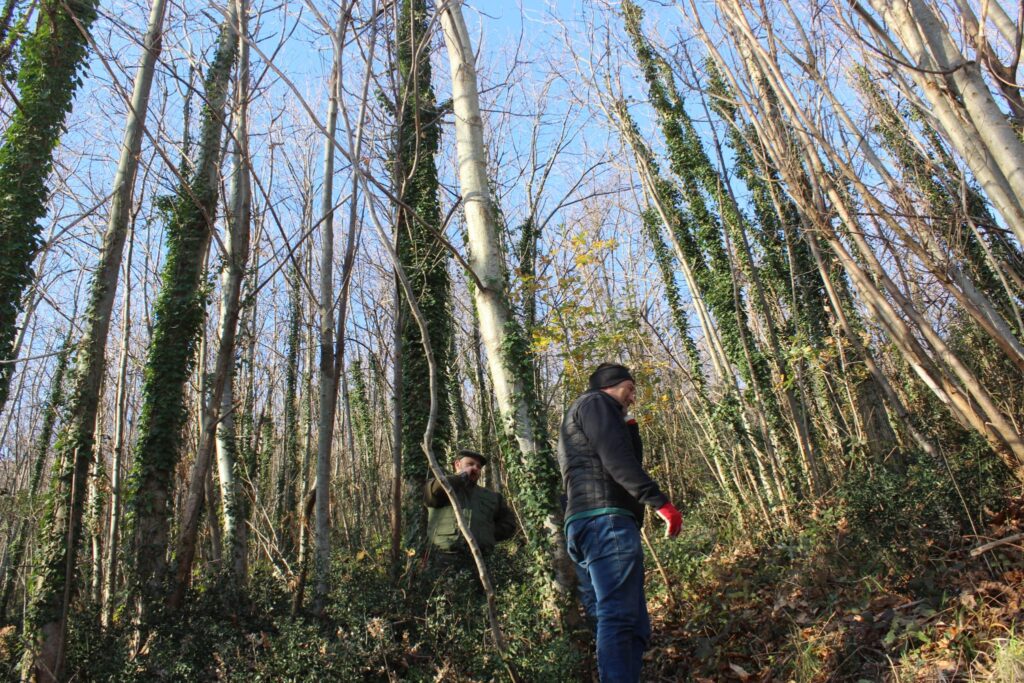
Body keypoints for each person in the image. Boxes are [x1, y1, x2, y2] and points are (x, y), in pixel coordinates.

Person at [558, 362, 683, 683]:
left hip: (587, 527)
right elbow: (618, 460)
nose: (633, 398)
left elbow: (624, 454)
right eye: (629, 389)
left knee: (634, 624)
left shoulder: (589, 413)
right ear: (610, 386)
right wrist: (660, 503)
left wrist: (630, 426)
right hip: (606, 522)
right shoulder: (596, 404)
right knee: (619, 618)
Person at [424, 449, 517, 566]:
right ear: (457, 464)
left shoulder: (492, 497)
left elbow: (509, 524)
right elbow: (433, 492)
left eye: (478, 467)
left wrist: (487, 533)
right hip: (444, 557)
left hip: (482, 559)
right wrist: (461, 477)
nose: (475, 469)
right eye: (470, 464)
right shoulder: (441, 485)